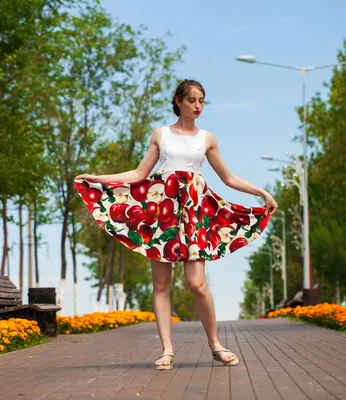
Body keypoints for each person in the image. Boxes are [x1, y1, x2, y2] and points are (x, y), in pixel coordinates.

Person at [75, 79, 278, 370]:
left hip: (194, 214)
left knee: (197, 283)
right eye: (192, 100)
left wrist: (262, 193)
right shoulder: (162, 135)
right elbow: (139, 173)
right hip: (163, 214)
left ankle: (215, 344)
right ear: (178, 101)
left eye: (202, 101)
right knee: (161, 284)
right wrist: (99, 178)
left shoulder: (206, 138)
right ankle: (167, 350)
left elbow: (228, 177)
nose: (197, 106)